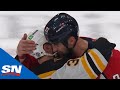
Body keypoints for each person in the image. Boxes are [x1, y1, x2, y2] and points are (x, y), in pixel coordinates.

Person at [44, 13, 120, 79]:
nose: (53, 49)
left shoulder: (114, 63)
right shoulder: (73, 46)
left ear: (71, 41)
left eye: (56, 44)